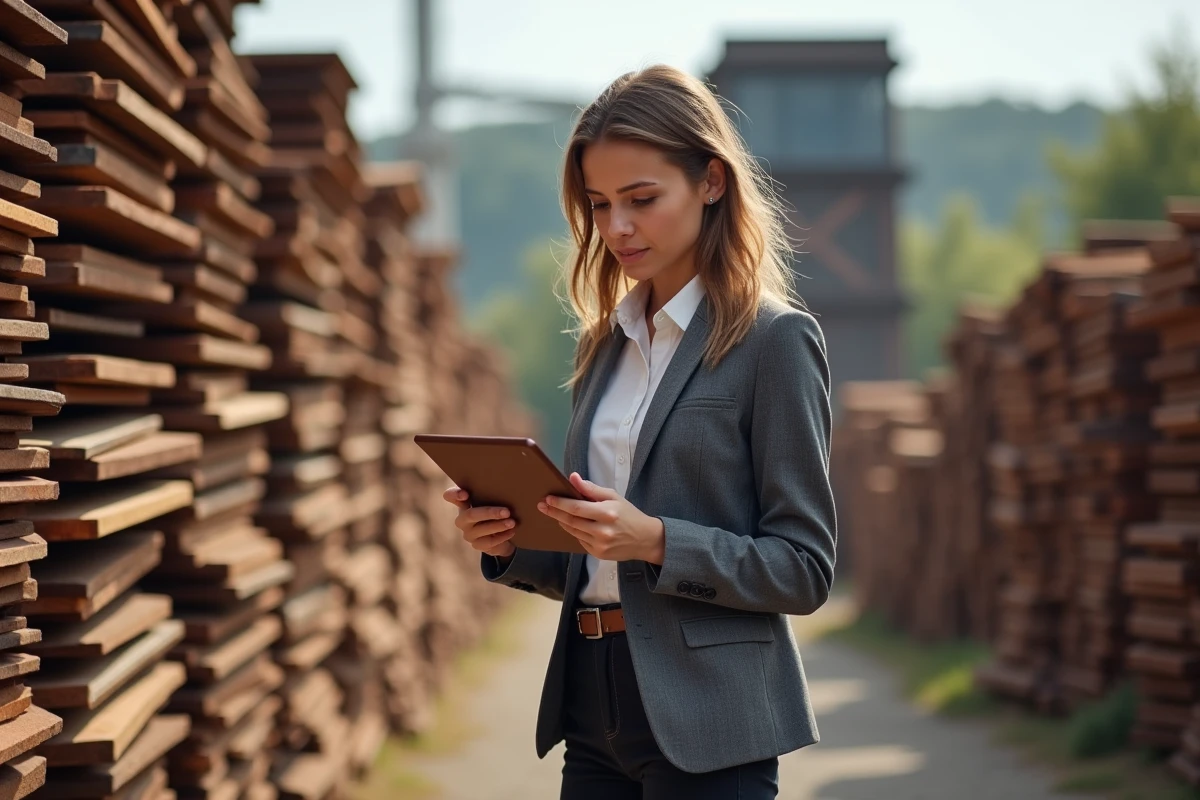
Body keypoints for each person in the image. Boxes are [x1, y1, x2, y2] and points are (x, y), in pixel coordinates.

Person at [442, 63, 837, 800]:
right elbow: (591, 554)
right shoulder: (605, 344)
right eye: (598, 204)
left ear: (711, 182)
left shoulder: (774, 342)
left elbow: (804, 567)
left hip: (713, 715)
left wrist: (655, 540)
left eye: (641, 199)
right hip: (592, 706)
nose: (616, 227)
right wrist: (509, 541)